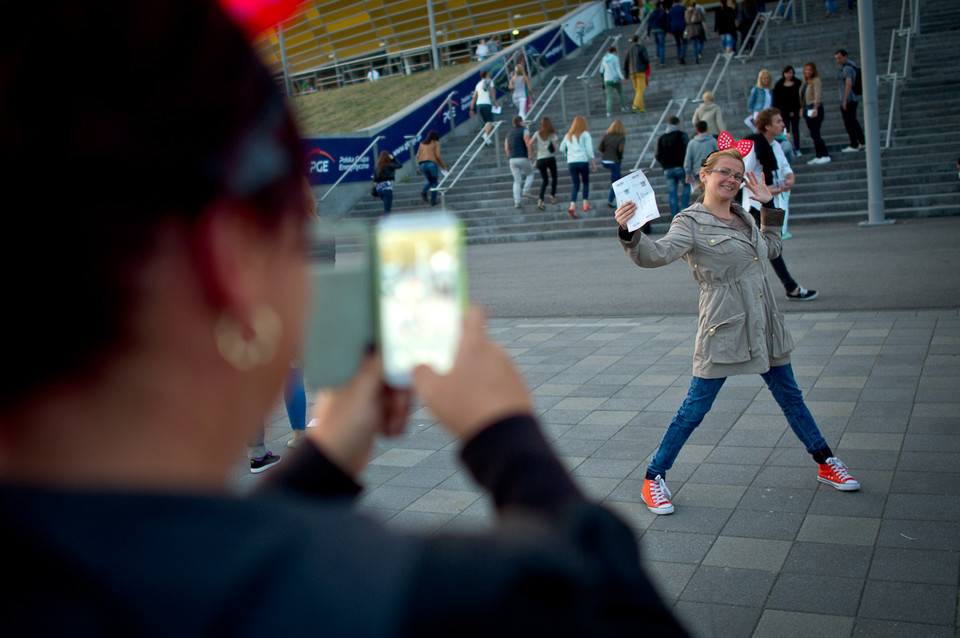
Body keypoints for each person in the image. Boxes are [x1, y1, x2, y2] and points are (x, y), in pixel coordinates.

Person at [0, 3, 693, 636]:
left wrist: (326, 459)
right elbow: (617, 612)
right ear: (232, 262)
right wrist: (504, 436)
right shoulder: (410, 601)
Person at [613, 147, 860, 516]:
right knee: (695, 408)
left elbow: (771, 248)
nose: (731, 180)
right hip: (724, 325)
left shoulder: (744, 215)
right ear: (704, 176)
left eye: (737, 175)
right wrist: (628, 230)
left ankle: (826, 461)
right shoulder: (690, 222)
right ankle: (654, 478)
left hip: (765, 323)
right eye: (724, 173)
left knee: (792, 398)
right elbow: (655, 255)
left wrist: (767, 207)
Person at [744, 108, 818, 300]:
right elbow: (742, 175)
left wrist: (790, 178)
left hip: (769, 201)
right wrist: (765, 189)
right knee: (770, 247)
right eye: (778, 121)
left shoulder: (775, 145)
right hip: (754, 205)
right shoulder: (753, 145)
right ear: (767, 126)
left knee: (766, 247)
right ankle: (790, 287)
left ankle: (784, 287)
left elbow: (785, 168)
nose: (782, 124)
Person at [559, 115, 597, 218]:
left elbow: (561, 148)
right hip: (582, 160)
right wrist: (593, 161)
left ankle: (572, 206)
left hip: (571, 162)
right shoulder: (585, 134)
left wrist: (567, 154)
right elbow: (589, 149)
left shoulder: (568, 135)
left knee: (576, 185)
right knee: (585, 182)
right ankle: (585, 204)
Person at [655, 115, 690, 218]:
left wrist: (664, 164)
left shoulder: (661, 138)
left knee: (672, 193)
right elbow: (688, 150)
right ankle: (684, 208)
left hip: (667, 169)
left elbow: (657, 155)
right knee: (687, 186)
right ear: (678, 124)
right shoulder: (681, 135)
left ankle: (674, 216)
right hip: (680, 167)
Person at [835, 49, 866, 152]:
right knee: (852, 121)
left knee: (850, 122)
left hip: (849, 99)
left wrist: (844, 99)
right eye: (837, 59)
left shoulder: (847, 68)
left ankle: (855, 143)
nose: (838, 60)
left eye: (839, 58)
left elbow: (848, 83)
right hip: (851, 98)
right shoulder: (852, 66)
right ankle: (861, 141)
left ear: (845, 56)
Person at [801, 61, 831, 164]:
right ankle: (818, 154)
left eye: (810, 70)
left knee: (815, 133)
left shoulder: (816, 81)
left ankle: (824, 154)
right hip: (807, 109)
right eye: (806, 70)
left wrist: (815, 109)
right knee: (813, 133)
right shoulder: (805, 83)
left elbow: (818, 95)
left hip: (814, 108)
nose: (808, 72)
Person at [529, 116, 560, 211]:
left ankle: (541, 199)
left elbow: (529, 143)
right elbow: (554, 148)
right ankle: (552, 196)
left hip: (540, 159)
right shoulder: (552, 134)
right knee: (554, 177)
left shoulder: (537, 133)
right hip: (550, 158)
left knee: (545, 180)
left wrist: (532, 153)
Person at [772, 65, 804, 156]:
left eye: (791, 73)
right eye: (787, 73)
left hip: (795, 110)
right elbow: (776, 99)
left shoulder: (797, 83)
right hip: (783, 111)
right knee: (785, 130)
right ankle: (786, 147)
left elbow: (801, 97)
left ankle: (797, 148)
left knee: (795, 129)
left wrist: (801, 107)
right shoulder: (779, 84)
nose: (789, 75)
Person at [505, 115, 536, 209]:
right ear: (521, 122)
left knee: (517, 181)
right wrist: (532, 152)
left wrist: (509, 156)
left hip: (512, 158)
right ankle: (526, 190)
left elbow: (506, 147)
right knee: (530, 173)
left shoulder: (509, 133)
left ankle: (517, 201)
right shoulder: (524, 130)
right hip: (522, 156)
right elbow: (527, 142)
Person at [683, 120, 718, 194]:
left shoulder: (692, 143)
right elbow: (719, 155)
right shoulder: (713, 141)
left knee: (703, 191)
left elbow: (688, 160)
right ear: (707, 129)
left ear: (696, 130)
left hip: (697, 172)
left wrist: (688, 174)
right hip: (711, 170)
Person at [598, 120, 627, 209]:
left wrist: (606, 152)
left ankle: (612, 199)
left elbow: (600, 147)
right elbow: (620, 150)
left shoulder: (606, 136)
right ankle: (610, 200)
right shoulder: (621, 138)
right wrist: (619, 158)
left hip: (605, 160)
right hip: (614, 161)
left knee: (615, 180)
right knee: (616, 182)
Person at [416, 130, 448, 206]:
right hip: (432, 164)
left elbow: (417, 155)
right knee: (434, 182)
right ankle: (433, 200)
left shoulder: (422, 144)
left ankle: (424, 191)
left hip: (423, 164)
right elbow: (437, 156)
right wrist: (443, 166)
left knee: (430, 180)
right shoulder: (435, 143)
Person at [622, 34, 650, 113]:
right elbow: (646, 59)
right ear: (639, 40)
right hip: (640, 71)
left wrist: (626, 76)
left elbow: (625, 63)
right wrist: (647, 67)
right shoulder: (641, 48)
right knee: (640, 90)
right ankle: (635, 106)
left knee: (637, 90)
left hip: (632, 72)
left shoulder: (629, 50)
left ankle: (641, 108)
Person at [469, 70, 499, 146]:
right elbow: (492, 91)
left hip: (479, 104)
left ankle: (488, 140)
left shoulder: (478, 84)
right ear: (486, 75)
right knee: (490, 122)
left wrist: (472, 108)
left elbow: (474, 97)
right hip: (487, 103)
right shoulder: (489, 81)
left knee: (486, 123)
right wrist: (495, 102)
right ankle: (485, 135)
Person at [373, 150, 403, 215]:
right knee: (387, 209)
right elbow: (399, 165)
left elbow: (375, 179)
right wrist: (393, 159)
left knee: (386, 206)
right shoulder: (389, 165)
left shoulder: (376, 167)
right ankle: (386, 223)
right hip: (387, 188)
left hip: (379, 189)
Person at [600, 46, 627, 117]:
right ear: (614, 51)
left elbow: (601, 70)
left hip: (607, 79)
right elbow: (618, 70)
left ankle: (608, 112)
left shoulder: (604, 59)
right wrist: (622, 77)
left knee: (609, 97)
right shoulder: (615, 58)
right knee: (620, 92)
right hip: (615, 79)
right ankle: (623, 107)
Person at [745, 69, 773, 133]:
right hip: (759, 112)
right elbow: (751, 101)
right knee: (761, 130)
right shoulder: (756, 89)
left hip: (768, 113)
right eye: (764, 78)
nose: (766, 80)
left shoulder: (770, 90)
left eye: (767, 78)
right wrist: (752, 112)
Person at [647, 2, 668, 66]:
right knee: (662, 45)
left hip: (654, 29)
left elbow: (649, 23)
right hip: (661, 29)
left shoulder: (652, 13)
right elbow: (666, 22)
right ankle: (662, 61)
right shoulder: (663, 12)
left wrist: (648, 33)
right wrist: (667, 30)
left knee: (657, 43)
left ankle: (657, 54)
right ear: (661, 5)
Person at [667, 0, 688, 64]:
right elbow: (687, 17)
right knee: (685, 41)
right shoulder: (683, 8)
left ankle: (679, 57)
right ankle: (682, 55)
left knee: (678, 43)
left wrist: (668, 31)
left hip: (674, 28)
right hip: (683, 27)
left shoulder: (670, 10)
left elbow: (668, 21)